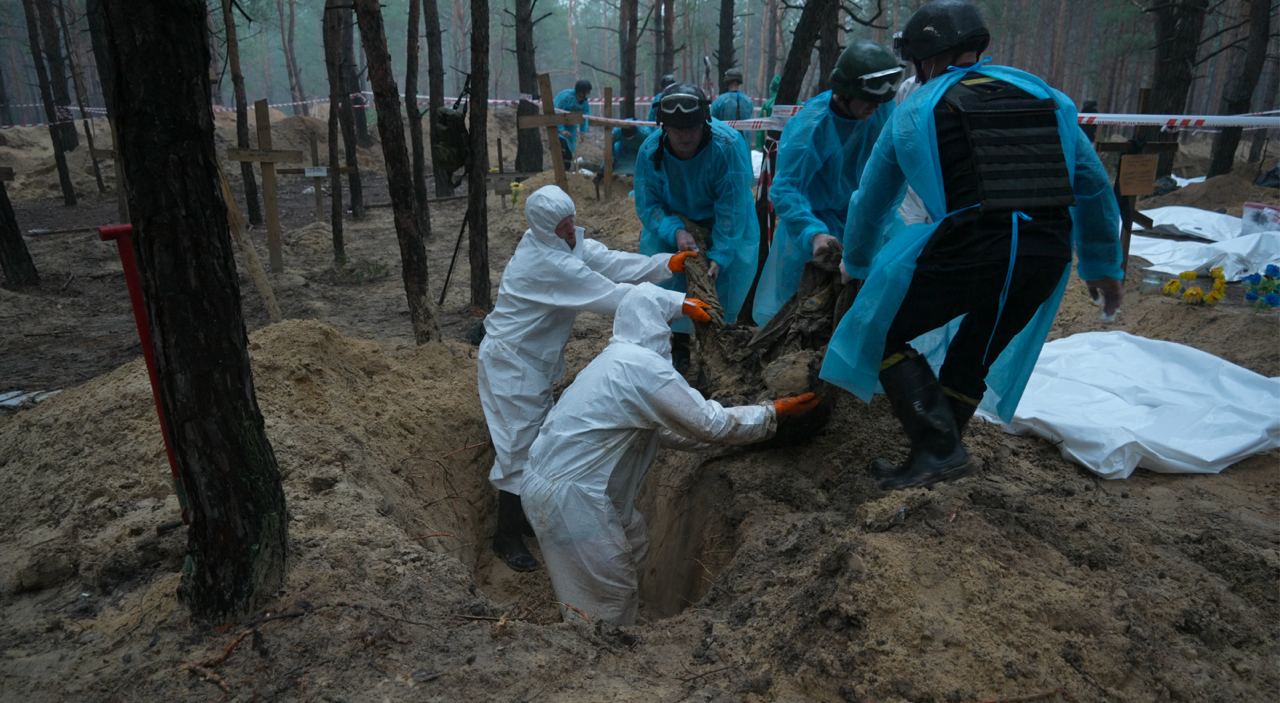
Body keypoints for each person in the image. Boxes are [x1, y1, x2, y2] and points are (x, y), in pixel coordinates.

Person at [820, 0, 1124, 490]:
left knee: (881, 333)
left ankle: (938, 451)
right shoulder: (1046, 94)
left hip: (974, 244)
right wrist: (1103, 263)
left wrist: (856, 264)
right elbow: (1090, 182)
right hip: (1045, 252)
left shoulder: (915, 108)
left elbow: (873, 199)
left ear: (923, 58)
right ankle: (938, 456)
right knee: (974, 352)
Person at [522, 283, 820, 624]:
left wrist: (744, 433)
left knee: (632, 541)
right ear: (656, 327)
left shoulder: (613, 360)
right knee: (607, 593)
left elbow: (670, 432)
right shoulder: (641, 368)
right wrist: (771, 414)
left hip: (554, 483)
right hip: (571, 497)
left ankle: (606, 622)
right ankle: (600, 654)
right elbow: (709, 424)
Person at [477, 185, 702, 571]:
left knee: (532, 439)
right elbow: (609, 294)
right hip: (511, 365)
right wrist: (676, 304)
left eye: (572, 223)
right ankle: (506, 537)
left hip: (533, 362)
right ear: (545, 229)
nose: (571, 231)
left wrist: (668, 264)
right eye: (562, 227)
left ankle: (527, 519)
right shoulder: (545, 264)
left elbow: (610, 261)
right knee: (517, 446)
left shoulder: (562, 244)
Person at [751, 41, 902, 325]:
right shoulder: (811, 127)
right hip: (812, 224)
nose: (874, 107)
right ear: (845, 92)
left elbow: (892, 167)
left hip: (864, 218)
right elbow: (785, 189)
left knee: (866, 305)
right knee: (798, 311)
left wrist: (874, 225)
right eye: (868, 100)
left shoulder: (881, 110)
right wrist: (814, 234)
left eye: (879, 102)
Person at [634, 83, 761, 366]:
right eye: (676, 129)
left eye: (691, 128)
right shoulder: (650, 150)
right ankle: (677, 346)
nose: (685, 136)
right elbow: (648, 204)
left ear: (704, 121)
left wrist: (722, 253)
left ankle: (714, 353)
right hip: (673, 218)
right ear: (663, 126)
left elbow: (732, 205)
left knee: (724, 285)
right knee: (668, 281)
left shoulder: (727, 146)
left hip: (725, 221)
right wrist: (674, 231)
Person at [555, 79, 592, 171]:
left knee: (570, 150)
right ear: (579, 92)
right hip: (557, 124)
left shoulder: (584, 102)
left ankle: (566, 171)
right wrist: (561, 129)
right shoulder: (566, 97)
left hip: (571, 127)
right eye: (584, 93)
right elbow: (557, 113)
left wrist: (583, 131)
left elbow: (584, 116)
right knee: (563, 148)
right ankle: (561, 170)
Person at [710, 67, 753, 141]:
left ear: (727, 82)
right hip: (744, 145)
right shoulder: (748, 101)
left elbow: (712, 121)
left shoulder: (719, 101)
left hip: (725, 144)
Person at [755, 74, 782, 150]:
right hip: (788, 145)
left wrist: (760, 146)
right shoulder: (796, 103)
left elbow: (761, 125)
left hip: (769, 145)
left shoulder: (767, 104)